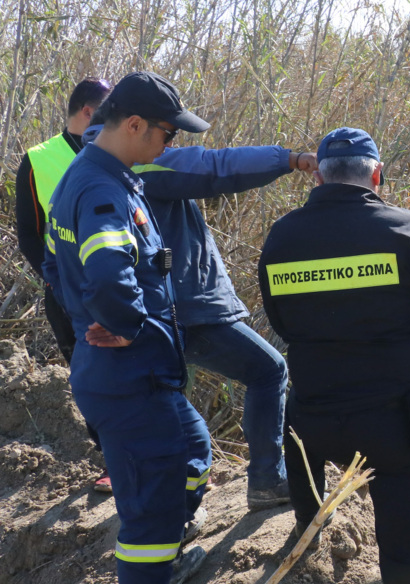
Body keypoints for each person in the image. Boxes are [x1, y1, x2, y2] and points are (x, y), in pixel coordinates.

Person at [258, 127, 410, 584]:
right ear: (377, 174)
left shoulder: (282, 237)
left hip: (314, 420)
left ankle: (308, 529)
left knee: (296, 428)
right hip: (397, 425)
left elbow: (281, 322)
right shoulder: (409, 231)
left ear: (318, 176)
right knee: (406, 550)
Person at [81, 116, 317, 509]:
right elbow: (216, 167)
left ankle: (168, 498)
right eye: (165, 135)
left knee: (171, 407)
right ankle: (265, 479)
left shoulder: (88, 180)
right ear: (130, 131)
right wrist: (290, 159)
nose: (168, 145)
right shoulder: (144, 168)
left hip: (151, 316)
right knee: (269, 370)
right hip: (191, 311)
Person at [42, 72, 213, 583]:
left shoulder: (95, 175)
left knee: (195, 449)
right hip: (128, 375)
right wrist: (127, 324)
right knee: (148, 515)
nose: (169, 142)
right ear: (134, 124)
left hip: (136, 373)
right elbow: (111, 278)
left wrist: (92, 316)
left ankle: (171, 533)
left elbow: (53, 265)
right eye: (167, 132)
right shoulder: (100, 189)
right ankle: (156, 560)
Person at [14, 77, 114, 493]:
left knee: (146, 368)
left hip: (119, 283)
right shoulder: (38, 160)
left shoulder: (120, 147)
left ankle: (167, 455)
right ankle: (112, 460)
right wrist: (57, 284)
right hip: (66, 294)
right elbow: (29, 236)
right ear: (89, 112)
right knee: (89, 377)